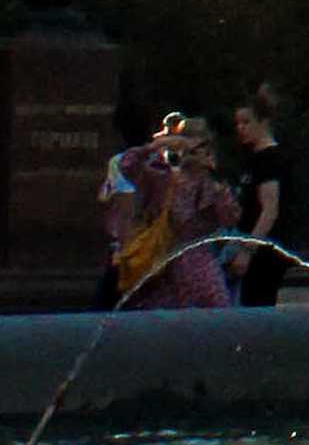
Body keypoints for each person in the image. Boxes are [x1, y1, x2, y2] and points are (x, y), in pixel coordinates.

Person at [105, 111, 240, 311]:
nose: (190, 154)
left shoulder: (212, 186)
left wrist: (215, 181)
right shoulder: (163, 179)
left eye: (197, 149)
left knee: (217, 321)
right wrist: (156, 146)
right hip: (162, 265)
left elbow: (230, 218)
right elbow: (126, 165)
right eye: (186, 148)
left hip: (200, 265)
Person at [229, 89, 292, 307]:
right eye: (238, 123)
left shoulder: (269, 160)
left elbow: (269, 210)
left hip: (263, 252)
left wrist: (248, 249)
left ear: (263, 122)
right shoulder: (254, 158)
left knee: (257, 304)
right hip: (249, 243)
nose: (241, 129)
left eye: (247, 122)